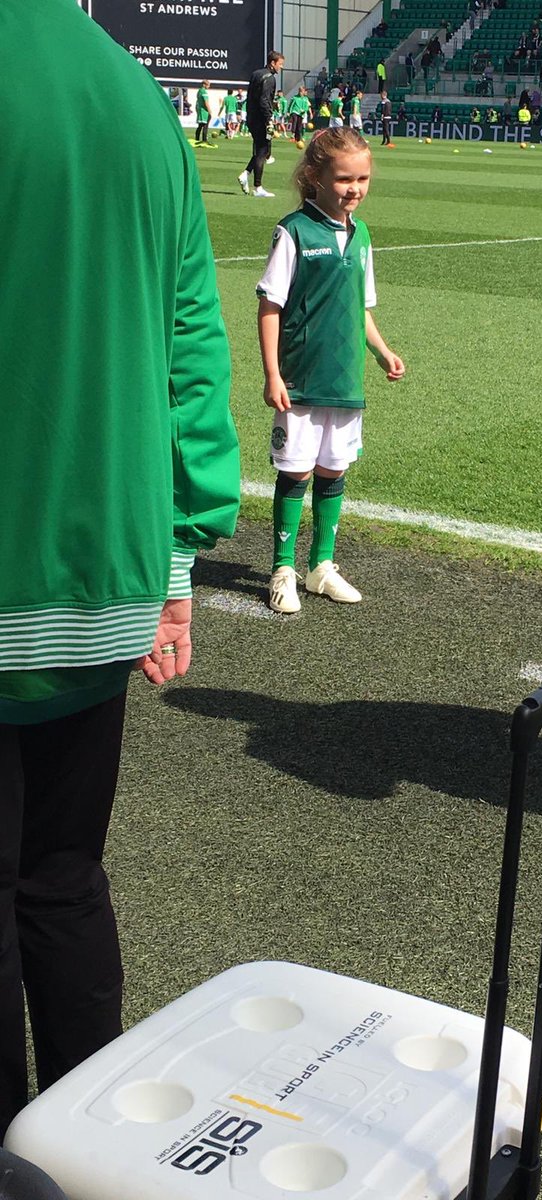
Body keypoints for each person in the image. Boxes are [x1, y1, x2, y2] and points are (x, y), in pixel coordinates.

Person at [0, 0, 240, 1140]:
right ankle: (82, 1150)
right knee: (63, 880)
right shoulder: (139, 98)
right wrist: (177, 557)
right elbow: (193, 343)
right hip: (106, 580)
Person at [256, 128, 405, 614]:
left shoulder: (362, 235)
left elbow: (361, 307)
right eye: (344, 179)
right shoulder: (294, 231)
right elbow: (270, 306)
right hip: (300, 379)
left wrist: (382, 351)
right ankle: (282, 569)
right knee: (295, 470)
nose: (354, 188)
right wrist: (273, 374)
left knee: (333, 469)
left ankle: (321, 566)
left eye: (362, 179)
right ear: (315, 176)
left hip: (345, 381)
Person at [238, 48, 284, 198]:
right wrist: (269, 119)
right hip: (261, 119)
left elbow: (255, 96)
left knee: (262, 150)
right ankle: (257, 187)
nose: (281, 67)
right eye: (280, 64)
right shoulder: (270, 78)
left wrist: (272, 103)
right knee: (262, 151)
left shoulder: (256, 74)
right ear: (273, 63)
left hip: (251, 117)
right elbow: (263, 100)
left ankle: (246, 174)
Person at [194, 79, 212, 146]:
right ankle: (204, 140)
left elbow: (197, 101)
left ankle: (197, 138)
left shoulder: (199, 91)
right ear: (204, 85)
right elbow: (206, 103)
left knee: (200, 125)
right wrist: (209, 111)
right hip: (204, 111)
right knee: (205, 126)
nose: (209, 87)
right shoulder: (204, 92)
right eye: (208, 85)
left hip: (200, 110)